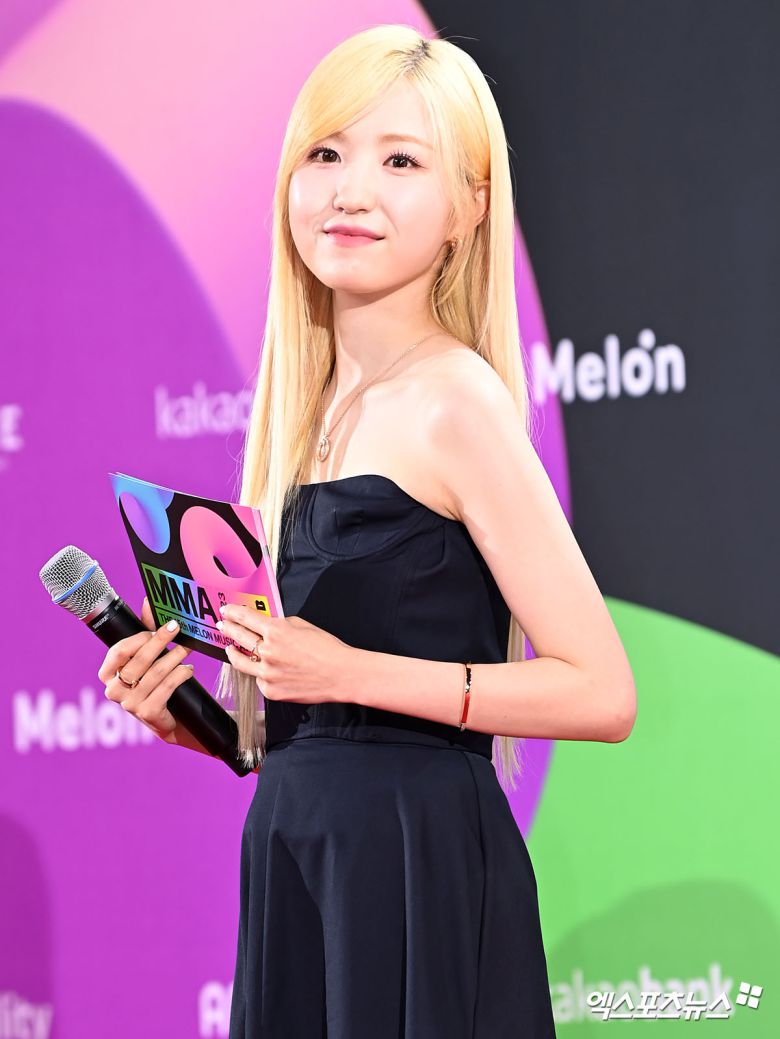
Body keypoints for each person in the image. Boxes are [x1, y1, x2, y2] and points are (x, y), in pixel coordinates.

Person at [99, 24, 636, 1038]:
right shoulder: (300, 416)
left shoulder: (454, 401)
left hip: (416, 862)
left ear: (468, 208)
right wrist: (202, 724)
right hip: (301, 856)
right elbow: (321, 730)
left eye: (400, 161)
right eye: (327, 153)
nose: (350, 190)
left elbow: (603, 691)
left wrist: (347, 669)